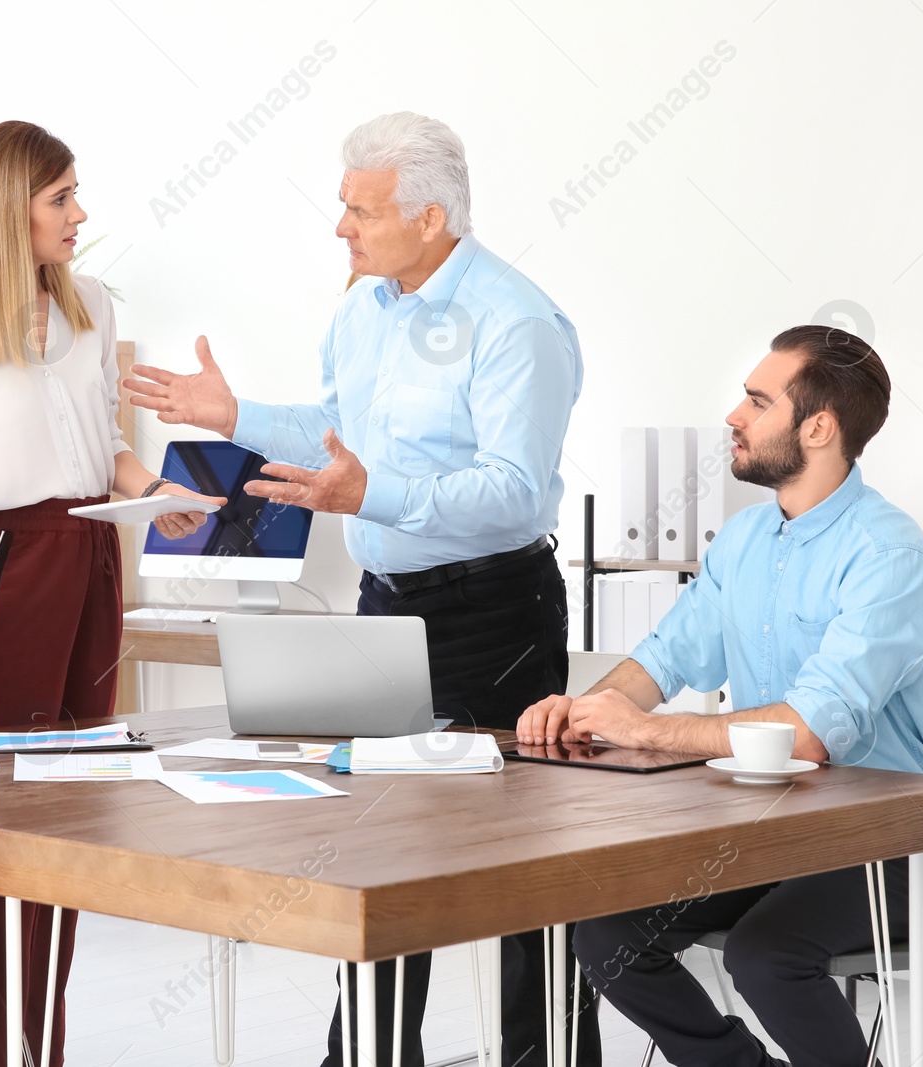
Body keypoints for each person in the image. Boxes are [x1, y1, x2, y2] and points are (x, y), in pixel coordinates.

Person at [125, 111, 595, 1067]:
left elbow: (513, 485)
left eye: (360, 210)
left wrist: (374, 490)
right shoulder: (362, 309)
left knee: (522, 874)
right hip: (386, 605)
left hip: (495, 605)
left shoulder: (518, 321)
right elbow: (336, 430)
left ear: (430, 218)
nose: (341, 228)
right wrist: (236, 416)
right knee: (375, 849)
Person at [518, 326, 923, 1067]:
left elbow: (811, 732)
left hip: (892, 844)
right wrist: (587, 708)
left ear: (818, 427)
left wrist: (653, 732)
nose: (734, 415)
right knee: (603, 932)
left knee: (763, 955)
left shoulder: (889, 556)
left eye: (758, 401)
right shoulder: (744, 539)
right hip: (769, 834)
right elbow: (662, 658)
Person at [0, 119, 223, 1066]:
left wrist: (151, 490)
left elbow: (101, 444)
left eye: (76, 195)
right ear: (8, 208)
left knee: (72, 808)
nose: (81, 215)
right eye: (61, 198)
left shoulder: (91, 304)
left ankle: (41, 1046)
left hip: (93, 556)